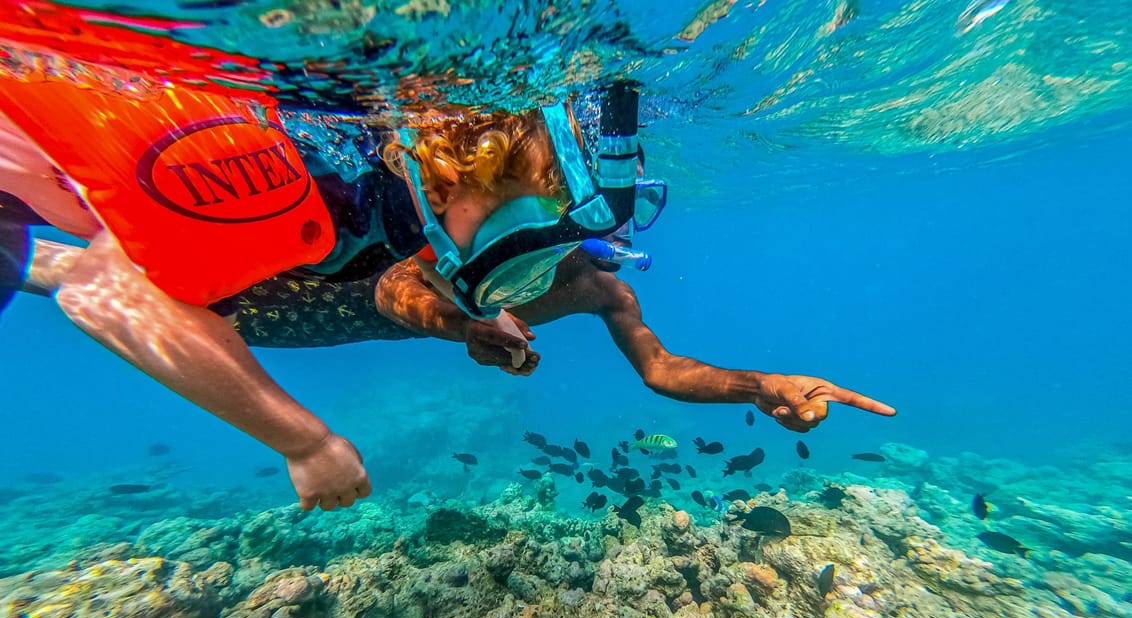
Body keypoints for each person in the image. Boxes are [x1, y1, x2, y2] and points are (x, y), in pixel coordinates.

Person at [17, 99, 896, 440]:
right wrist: (463, 323)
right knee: (106, 260)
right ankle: (42, 253)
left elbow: (662, 369)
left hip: (308, 310)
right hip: (281, 294)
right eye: (489, 243)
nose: (516, 270)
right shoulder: (378, 207)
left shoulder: (594, 281)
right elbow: (399, 289)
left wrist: (760, 383)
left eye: (539, 239)